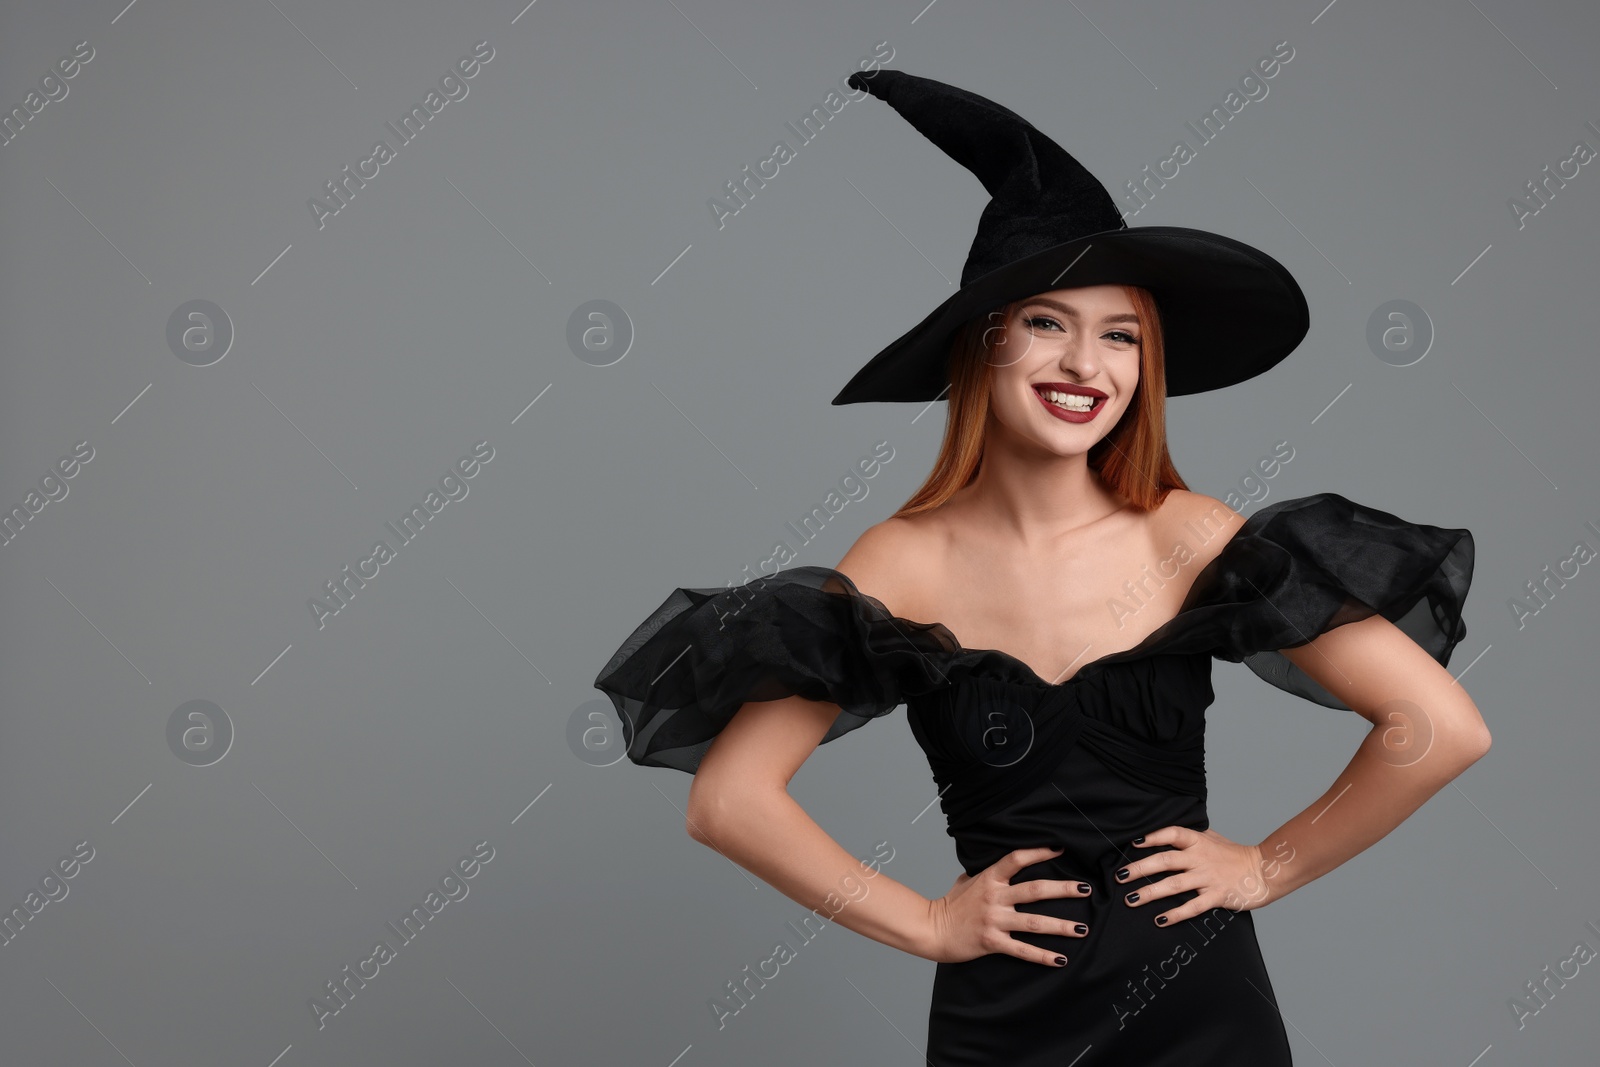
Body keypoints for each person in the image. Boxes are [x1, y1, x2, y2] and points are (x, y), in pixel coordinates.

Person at [594, 69, 1488, 1066]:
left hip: (1203, 1008)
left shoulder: (1182, 532)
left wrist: (1268, 866)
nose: (1085, 365)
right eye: (1047, 323)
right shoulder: (902, 559)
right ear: (984, 345)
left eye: (1120, 336)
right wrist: (927, 923)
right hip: (1005, 1023)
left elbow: (1440, 726)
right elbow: (729, 800)